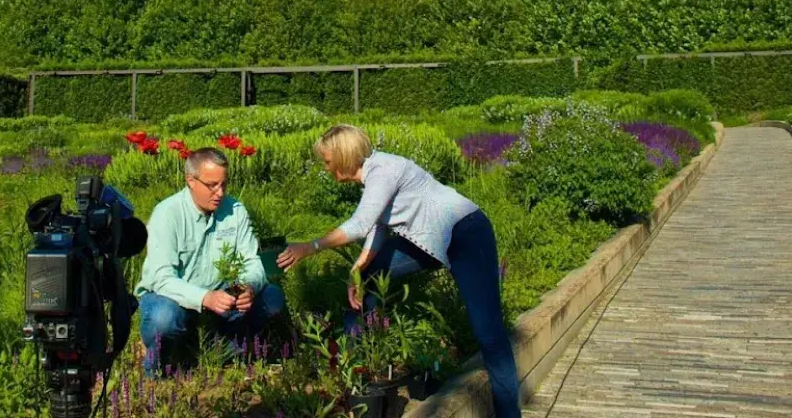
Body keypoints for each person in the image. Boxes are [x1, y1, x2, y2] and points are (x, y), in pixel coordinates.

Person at [276, 124, 521, 418]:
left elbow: (359, 225)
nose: (325, 167)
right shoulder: (375, 174)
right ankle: (354, 365)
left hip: (467, 235)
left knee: (489, 334)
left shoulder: (383, 172)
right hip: (433, 239)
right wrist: (359, 267)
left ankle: (509, 414)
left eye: (327, 161)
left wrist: (310, 246)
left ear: (343, 156)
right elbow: (380, 224)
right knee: (367, 277)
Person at [133, 147, 285, 376]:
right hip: (173, 298)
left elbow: (252, 262)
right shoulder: (167, 214)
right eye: (212, 185)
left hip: (222, 294)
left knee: (272, 298)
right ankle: (156, 366)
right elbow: (162, 279)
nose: (220, 192)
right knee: (163, 318)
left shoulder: (235, 210)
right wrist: (204, 298)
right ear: (191, 181)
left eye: (224, 184)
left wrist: (248, 286)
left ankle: (215, 350)